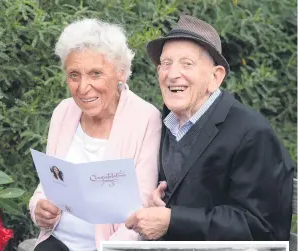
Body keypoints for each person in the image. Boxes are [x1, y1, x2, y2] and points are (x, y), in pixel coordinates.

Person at [125, 15, 294, 241]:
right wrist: (158, 205)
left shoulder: (252, 133)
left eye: (187, 64)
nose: (173, 74)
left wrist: (173, 220)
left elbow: (263, 228)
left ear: (216, 77)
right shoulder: (161, 124)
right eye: (166, 63)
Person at [29, 18, 162, 251]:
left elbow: (142, 206)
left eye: (95, 74)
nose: (82, 87)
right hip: (56, 242)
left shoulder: (146, 118)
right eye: (74, 75)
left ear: (120, 73)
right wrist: (38, 206)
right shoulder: (63, 111)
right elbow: (49, 183)